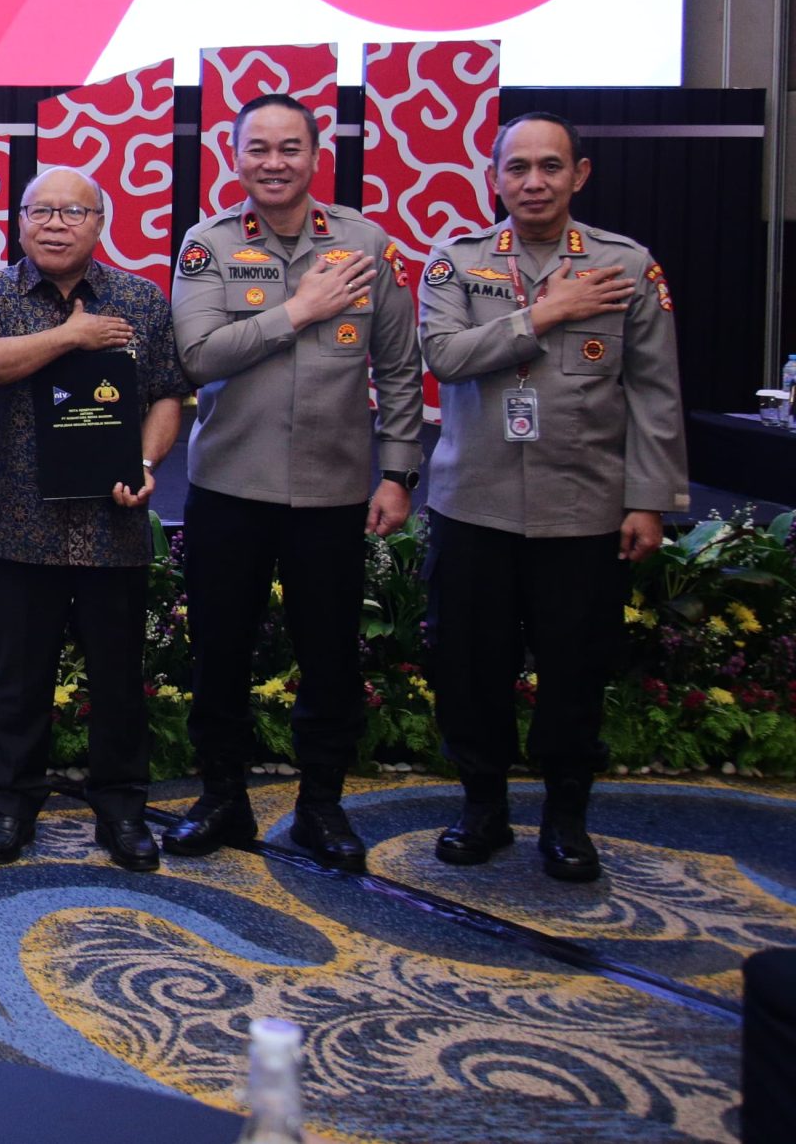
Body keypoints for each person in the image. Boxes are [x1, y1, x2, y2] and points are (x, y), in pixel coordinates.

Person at [419, 112, 688, 882]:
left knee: (575, 671)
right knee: (471, 668)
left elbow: (654, 391)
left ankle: (567, 818)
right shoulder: (458, 261)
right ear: (494, 177)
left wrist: (648, 499)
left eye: (549, 166)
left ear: (579, 174)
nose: (533, 182)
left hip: (584, 507)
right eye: (518, 167)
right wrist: (545, 313)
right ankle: (482, 806)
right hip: (476, 505)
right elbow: (445, 355)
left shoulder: (625, 266)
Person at [165, 95, 423, 871]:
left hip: (332, 491)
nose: (273, 163)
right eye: (258, 149)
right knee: (220, 652)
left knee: (330, 655)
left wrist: (398, 472)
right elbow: (197, 358)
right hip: (230, 488)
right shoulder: (208, 245)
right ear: (235, 158)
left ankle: (321, 806)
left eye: (289, 148)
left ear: (315, 156)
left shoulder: (365, 244)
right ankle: (222, 796)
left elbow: (399, 368)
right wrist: (300, 310)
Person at [0, 168, 186, 871]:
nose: (56, 224)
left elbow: (166, 394)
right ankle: (11, 807)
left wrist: (145, 462)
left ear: (100, 222)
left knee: (118, 681)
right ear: (21, 220)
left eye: (73, 212)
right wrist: (73, 335)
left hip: (113, 524)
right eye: (41, 211)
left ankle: (122, 809)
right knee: (19, 681)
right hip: (19, 524)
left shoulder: (140, 299)